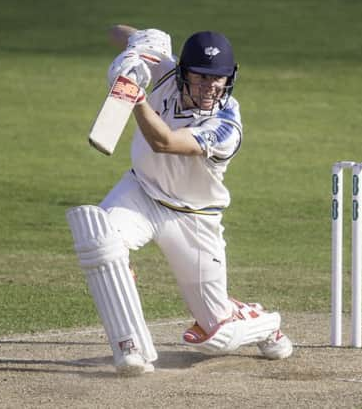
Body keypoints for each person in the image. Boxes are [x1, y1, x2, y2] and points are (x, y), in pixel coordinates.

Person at [66, 25, 293, 376]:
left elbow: (166, 143)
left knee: (215, 337)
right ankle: (131, 347)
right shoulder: (167, 72)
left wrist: (136, 98)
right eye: (201, 79)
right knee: (100, 239)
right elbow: (124, 33)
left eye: (218, 80)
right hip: (140, 193)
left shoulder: (226, 126)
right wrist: (128, 60)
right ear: (184, 72)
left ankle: (260, 321)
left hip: (194, 218)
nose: (209, 89)